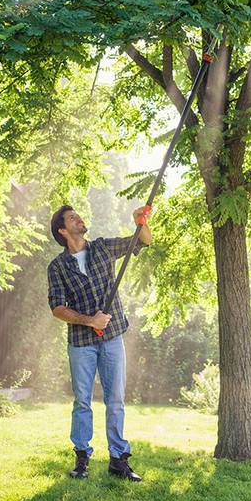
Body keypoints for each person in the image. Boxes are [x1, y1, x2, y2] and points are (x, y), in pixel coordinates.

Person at [47, 204, 152, 481]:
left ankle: (118, 459)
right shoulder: (57, 267)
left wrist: (139, 221)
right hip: (81, 342)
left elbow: (142, 241)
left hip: (113, 337)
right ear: (62, 229)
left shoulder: (103, 248)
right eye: (72, 218)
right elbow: (57, 308)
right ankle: (82, 459)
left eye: (77, 216)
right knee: (82, 401)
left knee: (115, 399)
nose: (79, 219)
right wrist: (89, 321)